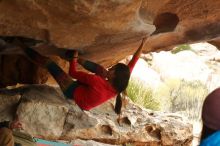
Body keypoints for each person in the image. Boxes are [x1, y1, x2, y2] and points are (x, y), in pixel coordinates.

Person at [21, 38, 146, 114]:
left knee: (49, 64)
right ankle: (75, 57)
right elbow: (134, 60)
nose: (110, 68)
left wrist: (74, 60)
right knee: (102, 71)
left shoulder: (97, 82)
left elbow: (73, 73)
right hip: (87, 96)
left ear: (114, 75)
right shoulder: (119, 82)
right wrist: (144, 42)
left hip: (73, 93)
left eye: (112, 69)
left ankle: (21, 46)